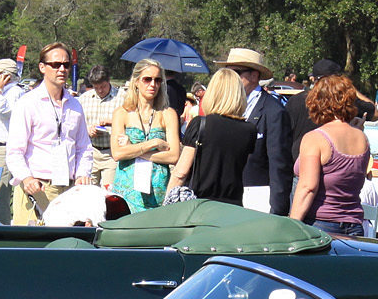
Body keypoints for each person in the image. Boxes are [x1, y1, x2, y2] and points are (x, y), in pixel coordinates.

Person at [6, 42, 90, 224]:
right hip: (37, 187)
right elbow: (14, 151)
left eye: (66, 65)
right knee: (32, 246)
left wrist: (83, 173)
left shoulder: (75, 105)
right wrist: (27, 178)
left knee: (63, 246)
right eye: (56, 65)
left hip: (68, 187)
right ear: (42, 67)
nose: (62, 69)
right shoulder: (27, 103)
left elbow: (84, 147)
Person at [290, 73, 371, 235]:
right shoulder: (362, 138)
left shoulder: (315, 138)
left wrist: (292, 226)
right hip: (354, 225)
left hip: (320, 224)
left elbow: (308, 187)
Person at [168, 67, 257, 204]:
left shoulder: (200, 124)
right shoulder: (249, 130)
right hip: (233, 206)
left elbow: (180, 173)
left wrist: (167, 205)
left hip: (200, 204)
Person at [218, 48, 290, 215]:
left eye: (237, 73)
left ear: (254, 75)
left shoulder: (274, 112)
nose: (231, 79)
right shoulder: (222, 109)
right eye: (228, 73)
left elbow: (280, 167)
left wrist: (277, 213)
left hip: (258, 202)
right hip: (226, 201)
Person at [110, 57, 179, 212]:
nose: (153, 84)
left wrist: (134, 150)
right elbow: (118, 153)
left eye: (157, 80)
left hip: (158, 191)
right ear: (136, 81)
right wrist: (153, 144)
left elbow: (174, 156)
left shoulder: (168, 114)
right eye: (147, 79)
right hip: (128, 191)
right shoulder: (122, 113)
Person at [81, 66, 118, 187]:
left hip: (111, 153)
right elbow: (77, 124)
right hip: (90, 152)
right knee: (87, 192)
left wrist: (113, 122)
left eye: (103, 87)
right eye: (96, 88)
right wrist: (87, 130)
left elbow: (131, 121)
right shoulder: (84, 99)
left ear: (109, 81)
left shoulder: (122, 97)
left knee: (109, 192)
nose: (100, 90)